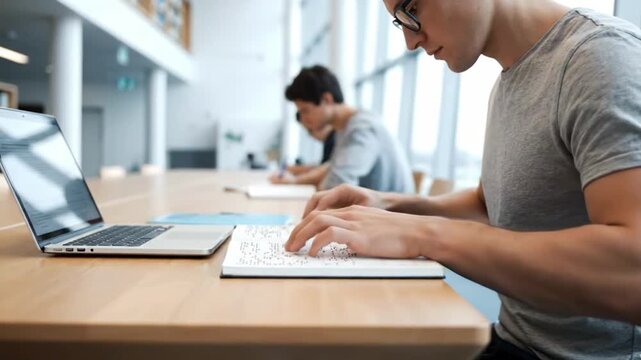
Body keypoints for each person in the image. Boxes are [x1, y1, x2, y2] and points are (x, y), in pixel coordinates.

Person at [285, 1, 641, 359]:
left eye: (412, 7)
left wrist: (423, 233)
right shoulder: (509, 81)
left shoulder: (600, 57)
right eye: (399, 21)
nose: (410, 40)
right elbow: (490, 208)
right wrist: (392, 205)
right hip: (513, 338)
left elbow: (632, 271)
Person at [276, 65, 414, 193]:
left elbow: (336, 185)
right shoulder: (345, 128)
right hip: (375, 213)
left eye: (305, 110)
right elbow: (332, 172)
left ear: (327, 99)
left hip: (390, 216)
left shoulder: (362, 129)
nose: (303, 118)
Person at [269, 122, 335, 187]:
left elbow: (328, 169)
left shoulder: (333, 138)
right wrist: (291, 169)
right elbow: (321, 166)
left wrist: (293, 180)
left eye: (310, 130)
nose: (311, 135)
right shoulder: (330, 139)